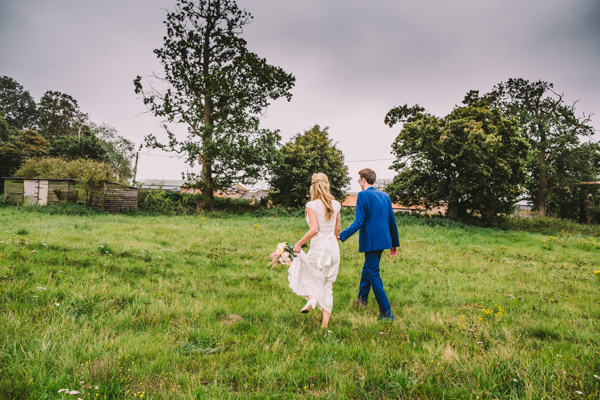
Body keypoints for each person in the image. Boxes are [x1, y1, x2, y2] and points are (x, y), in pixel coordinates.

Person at [338, 168, 399, 320]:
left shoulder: (363, 195)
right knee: (368, 268)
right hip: (384, 241)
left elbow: (359, 221)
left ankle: (387, 314)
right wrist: (394, 243)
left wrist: (342, 235)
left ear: (364, 180)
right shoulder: (385, 196)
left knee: (373, 274)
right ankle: (362, 300)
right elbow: (392, 220)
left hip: (371, 242)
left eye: (359, 180)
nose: (359, 183)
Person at [288, 173, 342, 328]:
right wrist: (334, 238)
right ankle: (324, 325)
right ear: (327, 185)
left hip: (318, 248)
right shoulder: (336, 204)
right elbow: (337, 228)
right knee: (328, 285)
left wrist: (299, 244)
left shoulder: (311, 205)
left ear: (313, 187)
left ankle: (311, 298)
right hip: (332, 247)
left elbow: (314, 229)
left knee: (305, 272)